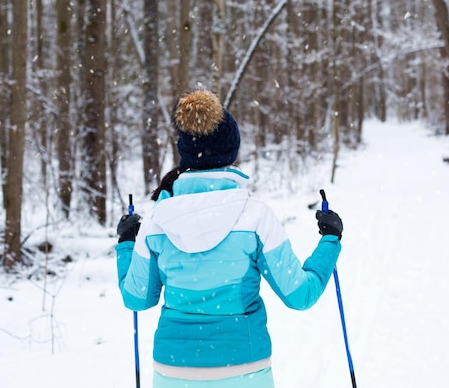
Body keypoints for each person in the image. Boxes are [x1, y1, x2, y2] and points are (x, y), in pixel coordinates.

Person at [115, 89, 344, 388]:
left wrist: (126, 245)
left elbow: (136, 298)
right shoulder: (255, 217)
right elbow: (300, 295)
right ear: (231, 152)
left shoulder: (158, 221)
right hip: (244, 369)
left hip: (174, 371)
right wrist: (330, 239)